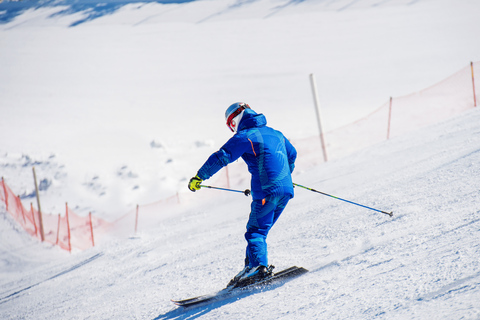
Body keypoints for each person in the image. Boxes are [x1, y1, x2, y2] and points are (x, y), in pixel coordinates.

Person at [188, 102, 297, 287]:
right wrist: (283, 176)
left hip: (266, 192)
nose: (232, 129)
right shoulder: (276, 133)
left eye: (231, 124)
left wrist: (200, 176)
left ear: (236, 119)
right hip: (285, 190)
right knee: (260, 230)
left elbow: (222, 156)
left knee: (256, 232)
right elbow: (292, 155)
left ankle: (258, 268)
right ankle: (251, 267)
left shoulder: (246, 135)